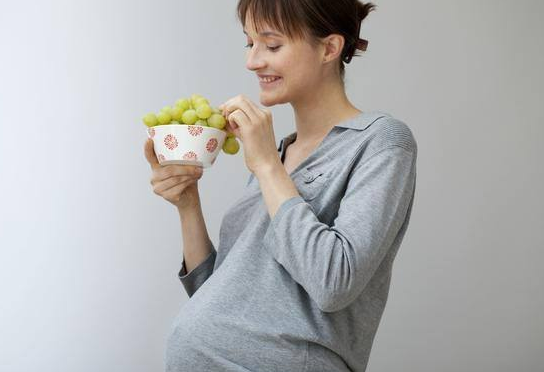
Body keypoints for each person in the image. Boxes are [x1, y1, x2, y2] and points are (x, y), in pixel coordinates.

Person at [144, 0, 417, 371]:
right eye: (249, 44)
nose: (253, 61)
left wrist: (268, 166)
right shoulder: (278, 153)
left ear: (329, 48)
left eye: (271, 46)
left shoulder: (380, 141)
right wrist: (188, 203)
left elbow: (333, 281)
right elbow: (217, 296)